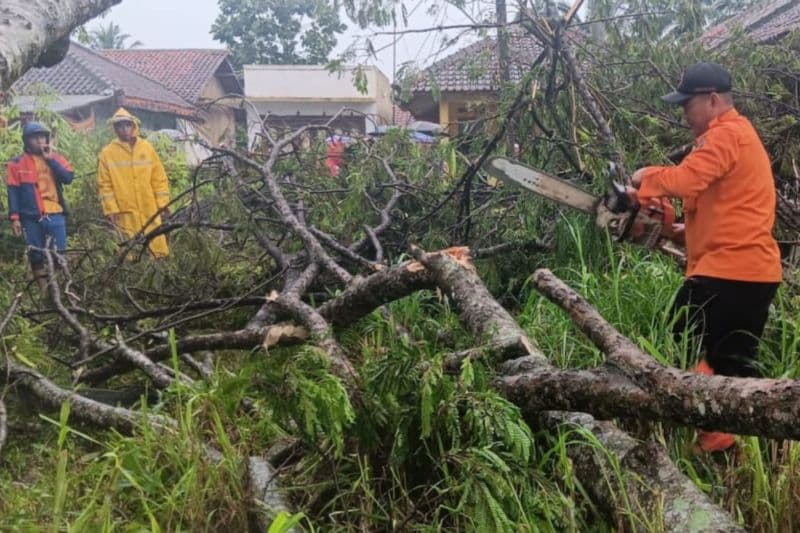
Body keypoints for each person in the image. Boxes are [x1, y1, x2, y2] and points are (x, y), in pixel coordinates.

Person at [630, 62, 782, 452]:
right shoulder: (731, 138)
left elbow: (686, 180)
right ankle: (731, 444)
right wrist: (675, 231)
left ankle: (729, 442)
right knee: (727, 362)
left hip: (735, 272)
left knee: (685, 338)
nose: (684, 113)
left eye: (688, 105)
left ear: (713, 100)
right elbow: (718, 208)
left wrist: (646, 177)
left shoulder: (727, 134)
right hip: (737, 270)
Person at [6, 122, 75, 293]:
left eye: (42, 137)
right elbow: (13, 192)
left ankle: (59, 290)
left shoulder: (56, 158)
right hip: (30, 217)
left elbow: (68, 178)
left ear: (47, 139)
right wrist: (14, 218)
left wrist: (50, 159)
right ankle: (44, 291)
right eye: (35, 137)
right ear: (27, 140)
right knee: (35, 254)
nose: (39, 140)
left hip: (55, 213)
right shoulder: (16, 163)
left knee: (59, 253)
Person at [97, 107, 170, 257]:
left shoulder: (146, 148)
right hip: (125, 210)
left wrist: (163, 203)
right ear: (115, 129)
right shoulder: (107, 153)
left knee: (157, 246)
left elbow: (159, 178)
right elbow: (105, 184)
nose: (124, 129)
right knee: (130, 249)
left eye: (127, 125)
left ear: (133, 126)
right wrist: (111, 209)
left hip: (149, 207)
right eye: (120, 126)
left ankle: (160, 272)